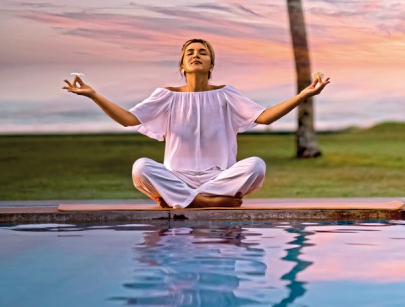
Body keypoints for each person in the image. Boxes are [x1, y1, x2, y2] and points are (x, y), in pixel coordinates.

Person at [63, 37, 330, 209]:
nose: (196, 55)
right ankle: (204, 201)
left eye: (203, 52)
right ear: (182, 65)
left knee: (256, 165)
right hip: (177, 176)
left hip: (219, 176)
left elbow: (265, 116)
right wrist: (93, 94)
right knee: (140, 167)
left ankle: (181, 200)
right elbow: (128, 120)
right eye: (190, 52)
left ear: (211, 63)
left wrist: (304, 94)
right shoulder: (166, 95)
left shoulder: (226, 94)